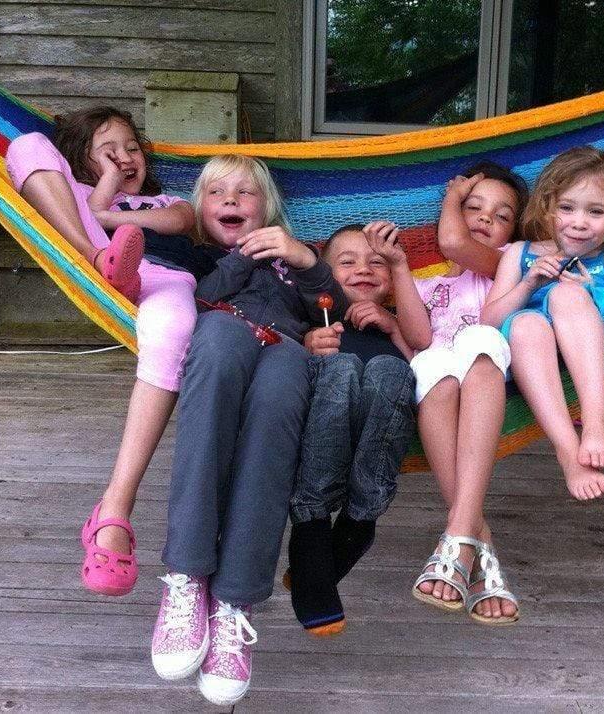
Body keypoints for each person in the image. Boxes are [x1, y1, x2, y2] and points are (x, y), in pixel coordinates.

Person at [150, 155, 347, 706]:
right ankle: (188, 576)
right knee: (215, 361)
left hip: (284, 350)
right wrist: (240, 257)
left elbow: (336, 309)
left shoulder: (294, 254)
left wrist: (304, 258)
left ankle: (234, 601)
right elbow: (201, 295)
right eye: (218, 192)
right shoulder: (196, 252)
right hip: (222, 332)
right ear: (199, 208)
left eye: (246, 192)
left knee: (271, 448)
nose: (232, 200)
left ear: (269, 208)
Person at [4, 107, 212, 597]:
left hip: (160, 280)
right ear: (80, 160)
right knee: (23, 143)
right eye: (109, 150)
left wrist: (107, 209)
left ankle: (115, 507)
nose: (125, 157)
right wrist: (98, 208)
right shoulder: (64, 192)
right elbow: (30, 155)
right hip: (93, 256)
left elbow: (183, 220)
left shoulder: (165, 199)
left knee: (175, 331)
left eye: (132, 148)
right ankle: (100, 257)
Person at [368, 160, 529, 626]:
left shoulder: (509, 265)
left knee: (480, 338)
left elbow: (453, 241)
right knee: (433, 365)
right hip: (440, 378)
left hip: (488, 371)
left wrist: (453, 199)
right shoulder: (429, 284)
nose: (484, 219)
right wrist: (399, 266)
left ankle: (459, 535)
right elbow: (419, 339)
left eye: (501, 215)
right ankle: (476, 546)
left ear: (514, 231)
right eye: (474, 207)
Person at [481, 145, 604, 501]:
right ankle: (568, 450)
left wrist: (593, 296)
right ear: (548, 208)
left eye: (596, 212)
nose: (579, 222)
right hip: (530, 354)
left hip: (585, 352)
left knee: (565, 295)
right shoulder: (520, 253)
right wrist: (528, 283)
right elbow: (488, 321)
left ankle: (597, 419)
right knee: (525, 324)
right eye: (567, 208)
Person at [286, 223, 417, 636]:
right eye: (347, 262)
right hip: (326, 425)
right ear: (325, 274)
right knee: (339, 365)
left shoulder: (399, 319)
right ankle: (313, 520)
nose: (364, 268)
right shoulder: (314, 316)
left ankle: (358, 521)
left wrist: (393, 328)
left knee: (389, 370)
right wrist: (307, 343)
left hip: (382, 423)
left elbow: (426, 371)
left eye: (377, 262)